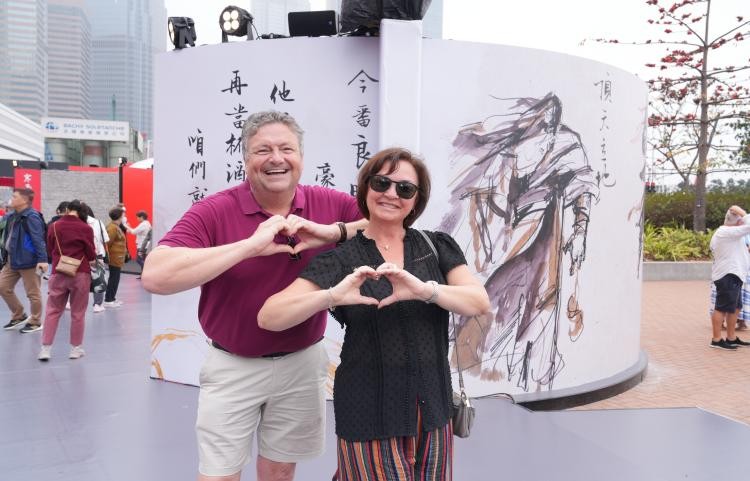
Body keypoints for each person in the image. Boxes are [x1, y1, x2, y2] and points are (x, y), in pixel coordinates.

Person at [141, 110, 367, 481]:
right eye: (263, 150)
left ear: (301, 157)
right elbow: (155, 275)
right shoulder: (215, 210)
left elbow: (389, 224)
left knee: (280, 471)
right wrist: (248, 246)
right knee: (219, 473)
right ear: (246, 159)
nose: (277, 158)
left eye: (286, 149)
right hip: (233, 365)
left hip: (302, 363)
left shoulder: (329, 203)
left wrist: (333, 232)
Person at [258, 148, 490, 481]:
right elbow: (270, 316)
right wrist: (331, 296)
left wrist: (424, 290)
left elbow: (478, 302)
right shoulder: (341, 259)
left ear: (416, 200)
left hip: (433, 412)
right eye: (382, 183)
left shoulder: (435, 247)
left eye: (405, 188)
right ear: (366, 187)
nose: (391, 194)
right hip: (369, 412)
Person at [438, 93, 599, 389]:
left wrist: (579, 232)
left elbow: (583, 188)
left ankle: (519, 375)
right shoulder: (507, 147)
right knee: (484, 304)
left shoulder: (566, 145)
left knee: (531, 312)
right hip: (498, 238)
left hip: (540, 243)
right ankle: (471, 369)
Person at [37, 200, 96, 361]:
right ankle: (75, 349)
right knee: (78, 313)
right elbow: (90, 253)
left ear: (67, 209)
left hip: (59, 271)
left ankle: (45, 349)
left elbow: (50, 248)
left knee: (53, 310)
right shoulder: (86, 228)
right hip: (80, 273)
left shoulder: (54, 226)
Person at [0, 188, 48, 333]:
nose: (11, 199)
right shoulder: (12, 216)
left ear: (25, 200)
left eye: (14, 197)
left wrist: (42, 259)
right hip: (12, 260)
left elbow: (38, 239)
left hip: (29, 261)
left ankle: (35, 321)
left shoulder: (31, 217)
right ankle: (19, 315)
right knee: (3, 287)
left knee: (33, 293)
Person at [709, 205, 750, 350]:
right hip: (728, 275)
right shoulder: (726, 232)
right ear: (738, 222)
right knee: (721, 308)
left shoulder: (728, 233)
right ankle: (716, 340)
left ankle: (731, 338)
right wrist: (742, 212)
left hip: (733, 275)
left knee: (735, 308)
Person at [82, 203, 109, 313]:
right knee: (99, 280)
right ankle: (97, 304)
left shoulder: (76, 222)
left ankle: (73, 302)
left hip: (80, 255)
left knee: (79, 279)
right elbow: (105, 239)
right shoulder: (98, 222)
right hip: (97, 255)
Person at [104, 207, 127, 308]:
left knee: (115, 278)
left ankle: (112, 298)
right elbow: (107, 243)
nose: (124, 217)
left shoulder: (116, 226)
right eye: (123, 215)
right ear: (119, 216)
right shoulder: (112, 228)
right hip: (114, 258)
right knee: (114, 278)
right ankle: (108, 300)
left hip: (117, 257)